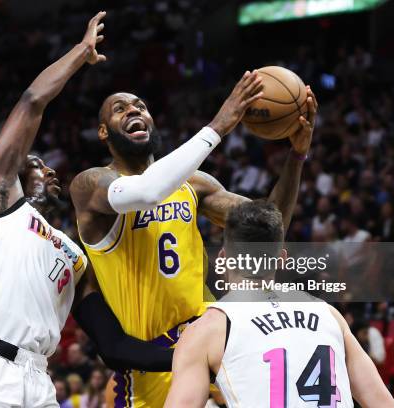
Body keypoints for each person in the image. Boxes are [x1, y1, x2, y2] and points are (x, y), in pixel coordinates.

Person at [0, 12, 174, 407]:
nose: (46, 168)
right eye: (33, 164)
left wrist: (193, 355)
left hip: (38, 378)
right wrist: (81, 53)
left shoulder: (75, 256)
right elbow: (32, 102)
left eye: (48, 165)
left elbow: (115, 348)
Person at [70, 67, 317, 405]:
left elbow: (269, 226)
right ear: (103, 132)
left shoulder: (194, 185)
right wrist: (219, 125)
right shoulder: (90, 185)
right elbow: (147, 191)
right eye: (120, 109)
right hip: (149, 362)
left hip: (208, 335)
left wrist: (297, 155)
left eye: (140, 106)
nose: (133, 111)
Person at [163, 200, 394, 408]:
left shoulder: (207, 329)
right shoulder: (330, 315)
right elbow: (382, 402)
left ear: (223, 259)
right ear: (281, 259)